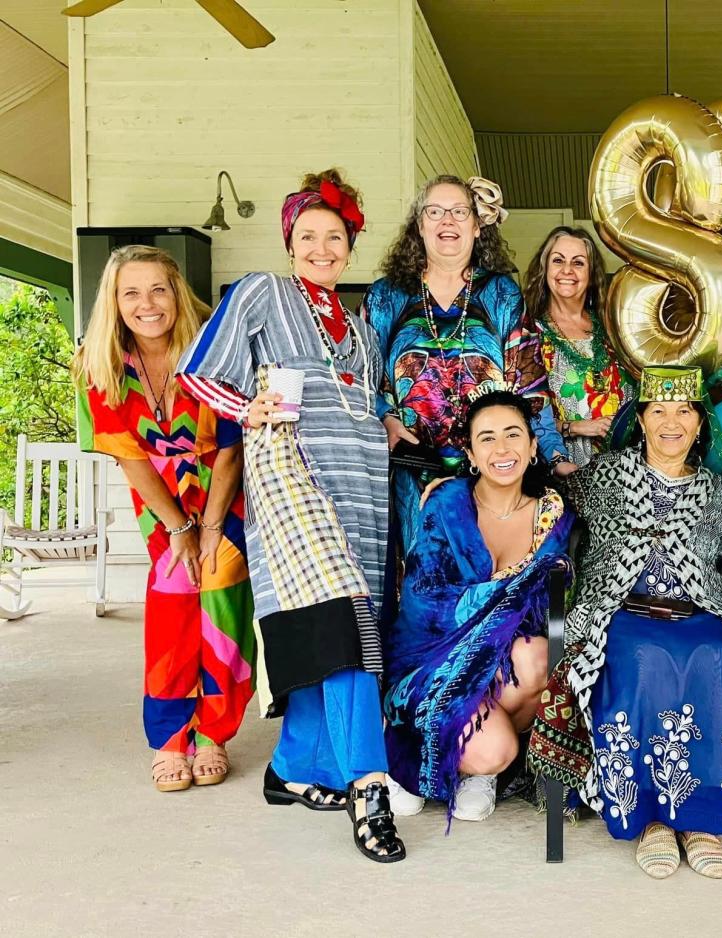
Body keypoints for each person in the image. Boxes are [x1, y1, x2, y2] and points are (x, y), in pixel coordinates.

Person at [178, 169, 404, 863]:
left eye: (335, 237)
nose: (322, 248)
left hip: (361, 491)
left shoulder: (362, 331)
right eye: (308, 236)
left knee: (342, 626)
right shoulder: (261, 293)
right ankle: (370, 789)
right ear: (289, 242)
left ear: (350, 246)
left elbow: (362, 405)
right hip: (293, 482)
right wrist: (246, 410)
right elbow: (199, 371)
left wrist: (387, 425)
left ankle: (293, 768)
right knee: (343, 627)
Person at [529, 366, 722, 880]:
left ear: (701, 424)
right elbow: (551, 506)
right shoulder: (606, 474)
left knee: (718, 655)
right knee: (644, 659)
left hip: (698, 612)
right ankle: (651, 820)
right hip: (619, 609)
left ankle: (701, 820)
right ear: (640, 419)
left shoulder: (721, 493)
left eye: (684, 411)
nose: (670, 422)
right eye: (657, 410)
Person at [74, 245, 254, 793]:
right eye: (132, 292)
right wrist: (179, 527)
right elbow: (130, 455)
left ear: (176, 292)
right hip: (163, 511)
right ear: (115, 300)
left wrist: (212, 527)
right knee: (173, 609)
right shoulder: (98, 363)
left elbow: (230, 449)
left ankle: (214, 735)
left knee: (222, 607)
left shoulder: (212, 350)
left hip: (226, 504)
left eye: (158, 289)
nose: (147, 304)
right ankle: (171, 739)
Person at [383, 388, 572, 822]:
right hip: (431, 660)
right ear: (469, 451)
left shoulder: (552, 512)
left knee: (538, 655)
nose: (502, 449)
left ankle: (475, 768)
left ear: (531, 445)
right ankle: (421, 748)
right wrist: (502, 600)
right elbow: (426, 603)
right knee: (497, 749)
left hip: (499, 664)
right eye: (487, 438)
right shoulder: (447, 504)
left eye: (513, 435)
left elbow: (543, 606)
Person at [363, 175, 572, 554]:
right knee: (420, 588)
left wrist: (556, 457)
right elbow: (361, 379)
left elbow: (529, 387)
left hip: (490, 475)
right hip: (407, 475)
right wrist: (386, 417)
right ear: (420, 225)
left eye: (460, 212)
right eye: (435, 211)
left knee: (483, 580)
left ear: (477, 226)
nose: (448, 221)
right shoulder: (385, 297)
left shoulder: (500, 294)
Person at [522, 225, 633, 467]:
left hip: (626, 466)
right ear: (545, 270)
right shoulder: (530, 334)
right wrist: (575, 427)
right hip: (566, 467)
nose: (567, 270)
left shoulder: (612, 329)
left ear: (592, 273)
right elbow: (521, 413)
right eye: (558, 260)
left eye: (578, 263)